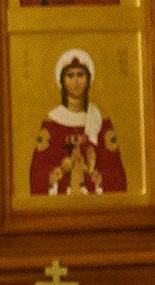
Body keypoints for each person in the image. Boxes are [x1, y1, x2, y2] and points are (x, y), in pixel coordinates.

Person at [30, 49, 129, 196]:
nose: (76, 81)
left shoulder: (101, 123)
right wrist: (61, 170)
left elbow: (118, 177)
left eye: (80, 75)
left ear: (89, 79)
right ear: (62, 80)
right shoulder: (51, 126)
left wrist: (92, 172)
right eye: (70, 75)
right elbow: (36, 179)